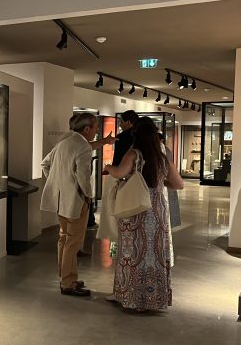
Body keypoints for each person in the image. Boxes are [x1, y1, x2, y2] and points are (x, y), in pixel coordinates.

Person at [104, 118, 184, 311]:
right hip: (157, 211)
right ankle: (152, 298)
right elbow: (178, 184)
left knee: (131, 253)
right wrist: (160, 182)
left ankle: (130, 296)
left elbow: (119, 172)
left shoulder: (134, 154)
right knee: (154, 253)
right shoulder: (162, 158)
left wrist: (108, 168)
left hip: (136, 209)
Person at [41, 112, 113, 297]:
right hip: (75, 201)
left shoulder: (63, 142)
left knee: (64, 239)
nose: (96, 131)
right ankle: (67, 282)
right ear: (87, 129)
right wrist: (88, 195)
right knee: (73, 242)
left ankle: (67, 276)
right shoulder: (82, 146)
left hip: (60, 201)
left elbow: (45, 164)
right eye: (95, 128)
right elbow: (83, 176)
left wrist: (57, 184)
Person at [97, 110, 139, 250]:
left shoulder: (123, 137)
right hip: (136, 181)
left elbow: (117, 162)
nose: (120, 124)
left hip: (120, 178)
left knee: (114, 211)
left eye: (122, 121)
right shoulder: (140, 138)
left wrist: (109, 169)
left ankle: (116, 246)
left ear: (128, 122)